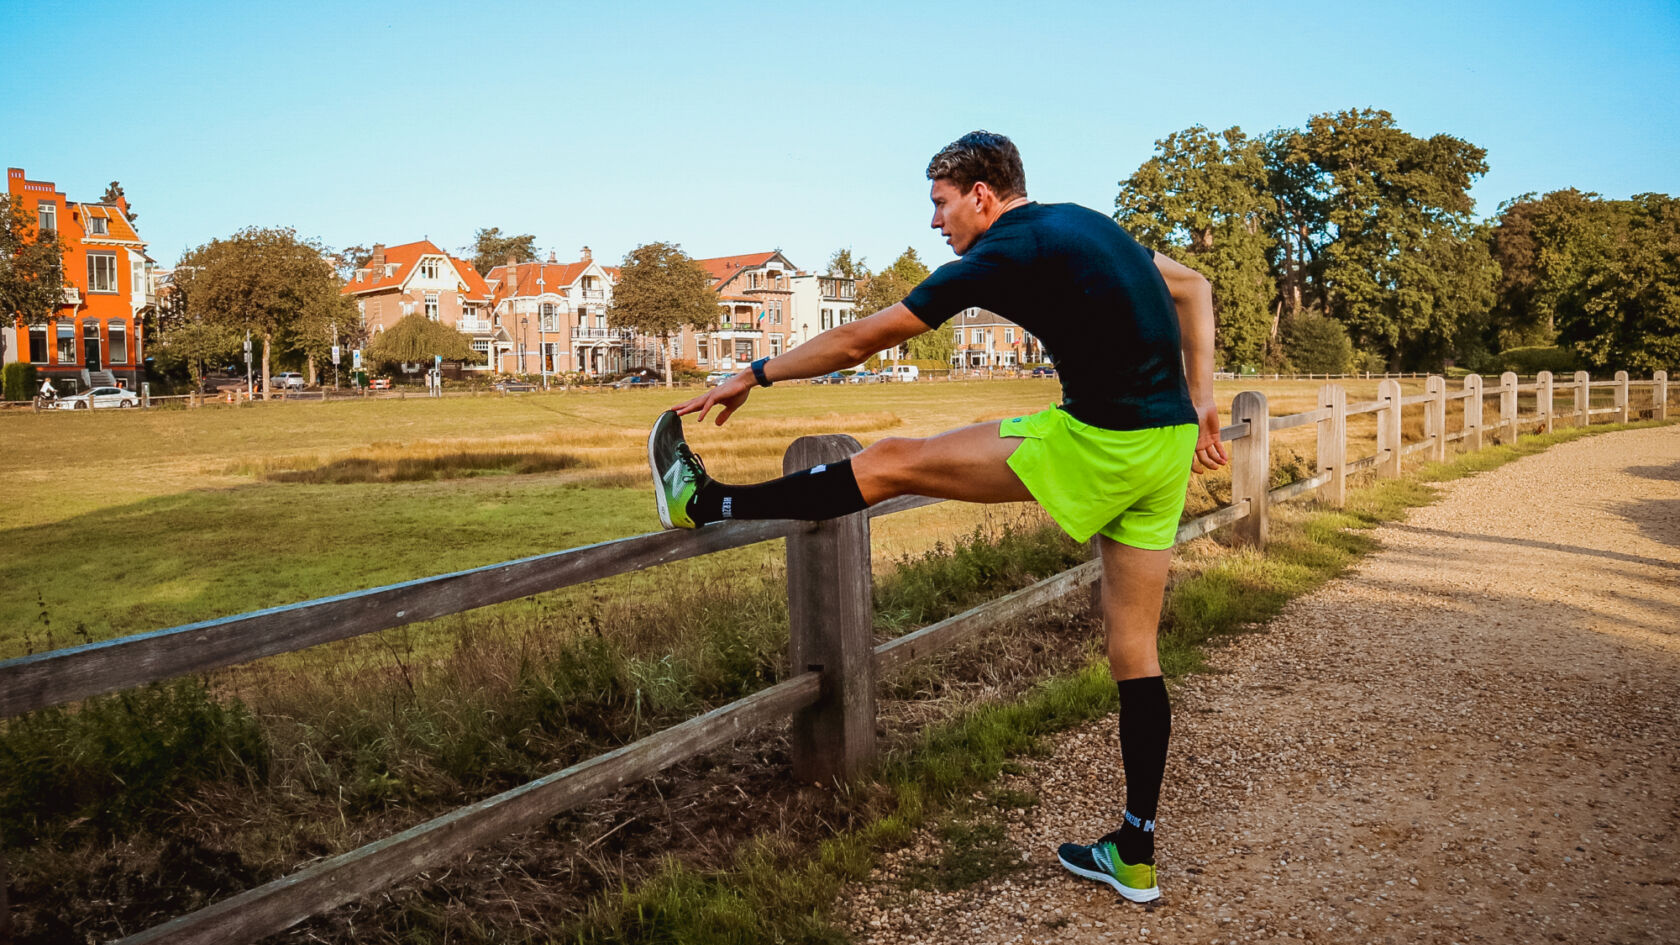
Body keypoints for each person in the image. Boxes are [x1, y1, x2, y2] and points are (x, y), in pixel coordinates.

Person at [648, 130, 1228, 903]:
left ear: (982, 195)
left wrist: (754, 371)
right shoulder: (1088, 223)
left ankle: (704, 502)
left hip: (1106, 442)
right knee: (1133, 646)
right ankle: (1136, 850)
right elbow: (1192, 286)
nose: (934, 222)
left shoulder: (1000, 254)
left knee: (891, 460)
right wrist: (1205, 401)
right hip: (1165, 446)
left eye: (940, 203)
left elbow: (864, 339)